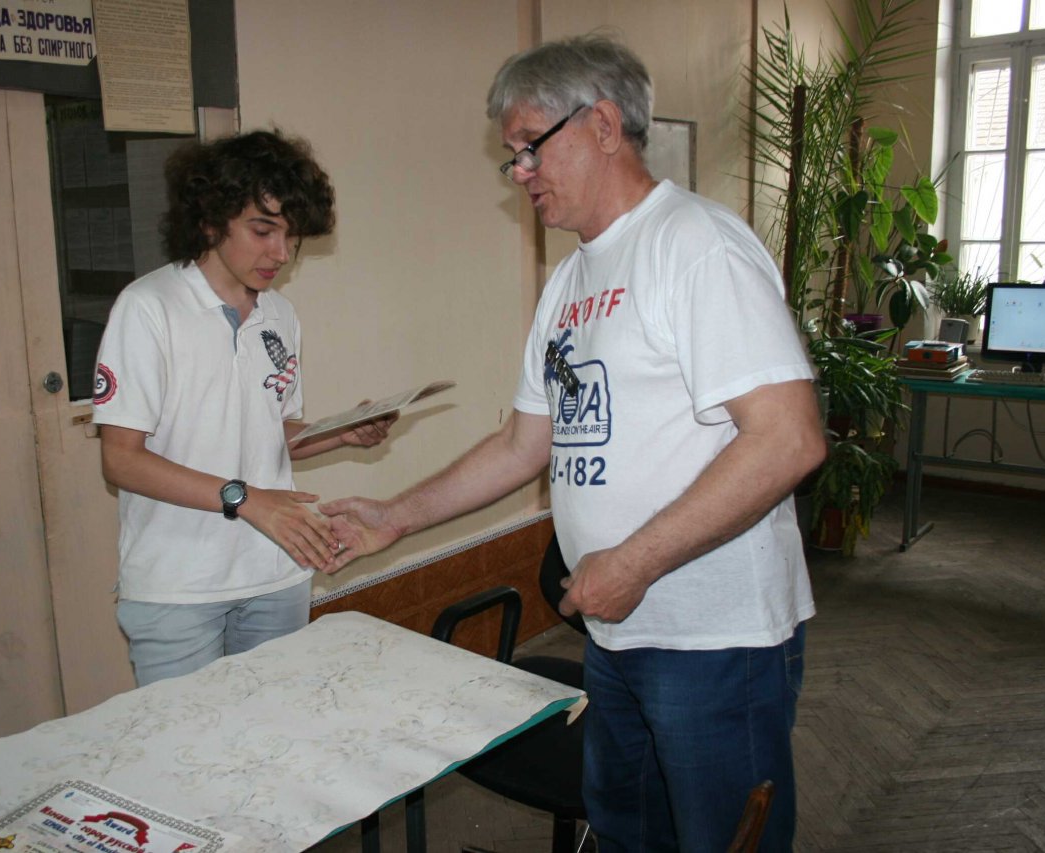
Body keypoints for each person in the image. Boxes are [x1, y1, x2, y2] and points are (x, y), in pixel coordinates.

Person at [320, 36, 826, 852]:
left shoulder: (696, 246)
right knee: (626, 833)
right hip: (618, 630)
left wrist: (635, 562)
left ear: (602, 124)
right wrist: (395, 516)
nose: (519, 172)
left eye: (530, 146)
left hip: (711, 638)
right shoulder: (570, 281)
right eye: (511, 155)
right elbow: (522, 444)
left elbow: (787, 439)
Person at [93, 130, 393, 687]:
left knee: (274, 726)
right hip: (180, 585)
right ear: (211, 220)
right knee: (191, 736)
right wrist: (247, 499)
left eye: (290, 235)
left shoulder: (280, 315)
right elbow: (121, 460)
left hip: (276, 569)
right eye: (263, 230)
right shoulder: (149, 308)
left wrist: (341, 433)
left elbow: (269, 433)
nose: (280, 253)